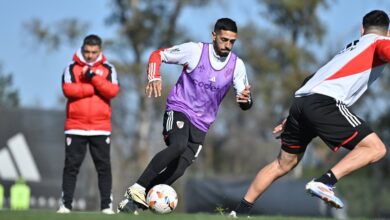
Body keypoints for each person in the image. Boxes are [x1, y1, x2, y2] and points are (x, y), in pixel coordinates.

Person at [229, 10, 389, 218]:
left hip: (301, 102)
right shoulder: (379, 42)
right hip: (324, 103)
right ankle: (325, 182)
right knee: (376, 148)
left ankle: (239, 213)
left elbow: (311, 79)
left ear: (362, 29)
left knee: (282, 163)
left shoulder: (350, 49)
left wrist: (291, 116)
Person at [117, 18, 252, 214]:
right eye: (224, 40)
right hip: (179, 108)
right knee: (178, 146)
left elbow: (245, 101)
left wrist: (245, 101)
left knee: (179, 169)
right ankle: (137, 187)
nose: (228, 45)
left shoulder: (237, 65)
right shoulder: (194, 51)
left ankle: (132, 204)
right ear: (214, 35)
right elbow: (157, 55)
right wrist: (154, 76)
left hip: (202, 124)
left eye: (232, 41)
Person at [57, 34, 120, 214]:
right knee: (71, 167)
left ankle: (107, 207)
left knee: (104, 168)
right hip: (75, 126)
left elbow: (113, 90)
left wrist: (93, 78)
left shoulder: (109, 68)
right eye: (87, 51)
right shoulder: (71, 67)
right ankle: (65, 205)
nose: (90, 55)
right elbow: (68, 90)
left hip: (100, 128)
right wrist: (93, 88)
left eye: (94, 52)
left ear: (100, 50)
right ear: (82, 49)